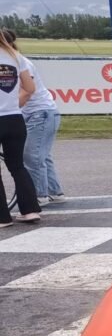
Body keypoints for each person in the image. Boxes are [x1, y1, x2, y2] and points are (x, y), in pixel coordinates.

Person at [3, 29, 64, 206]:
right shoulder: (14, 59)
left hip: (41, 113)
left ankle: (39, 195)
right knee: (42, 156)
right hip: (39, 113)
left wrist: (10, 110)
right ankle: (55, 191)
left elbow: (27, 91)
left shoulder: (20, 62)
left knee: (31, 157)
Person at [0, 29, 41, 226]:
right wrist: (12, 103)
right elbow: (30, 88)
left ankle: (2, 217)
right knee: (17, 165)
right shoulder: (15, 56)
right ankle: (30, 210)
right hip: (14, 118)